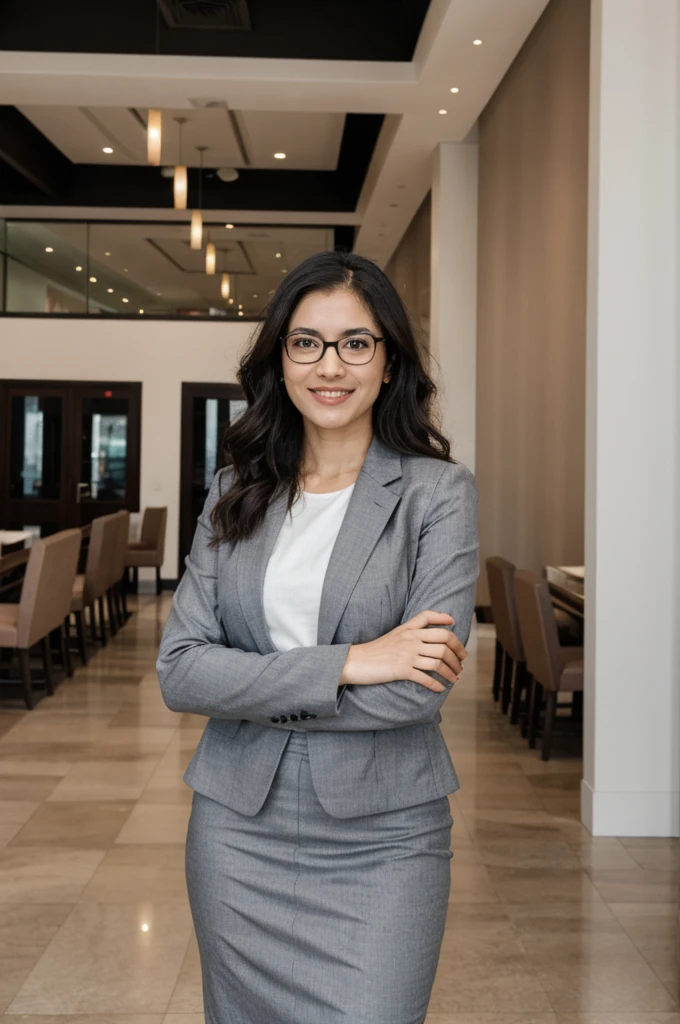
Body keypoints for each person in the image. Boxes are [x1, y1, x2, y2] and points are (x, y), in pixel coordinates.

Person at [156, 250, 480, 1024]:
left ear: (390, 361)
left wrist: (254, 684)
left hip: (384, 835)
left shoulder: (438, 495)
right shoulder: (238, 490)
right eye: (307, 342)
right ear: (280, 358)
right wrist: (353, 663)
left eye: (355, 343)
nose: (329, 365)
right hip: (238, 830)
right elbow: (180, 670)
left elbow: (413, 690)